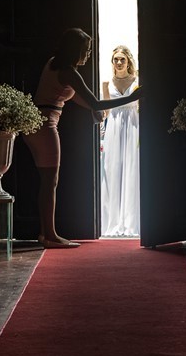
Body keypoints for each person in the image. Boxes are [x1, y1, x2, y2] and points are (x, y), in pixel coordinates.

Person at [23, 28, 142, 248]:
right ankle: (50, 235)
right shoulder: (69, 72)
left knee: (47, 182)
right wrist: (131, 98)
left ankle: (45, 233)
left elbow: (78, 97)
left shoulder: (54, 64)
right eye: (86, 50)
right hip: (46, 124)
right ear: (75, 50)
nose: (88, 54)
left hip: (36, 123)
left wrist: (93, 111)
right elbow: (95, 102)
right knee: (51, 182)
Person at [100, 45, 141, 237]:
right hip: (114, 128)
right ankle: (112, 221)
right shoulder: (107, 84)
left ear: (128, 61)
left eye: (122, 59)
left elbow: (141, 107)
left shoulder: (137, 81)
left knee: (132, 170)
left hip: (133, 127)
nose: (118, 62)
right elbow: (106, 112)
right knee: (113, 170)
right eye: (115, 59)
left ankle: (131, 221)